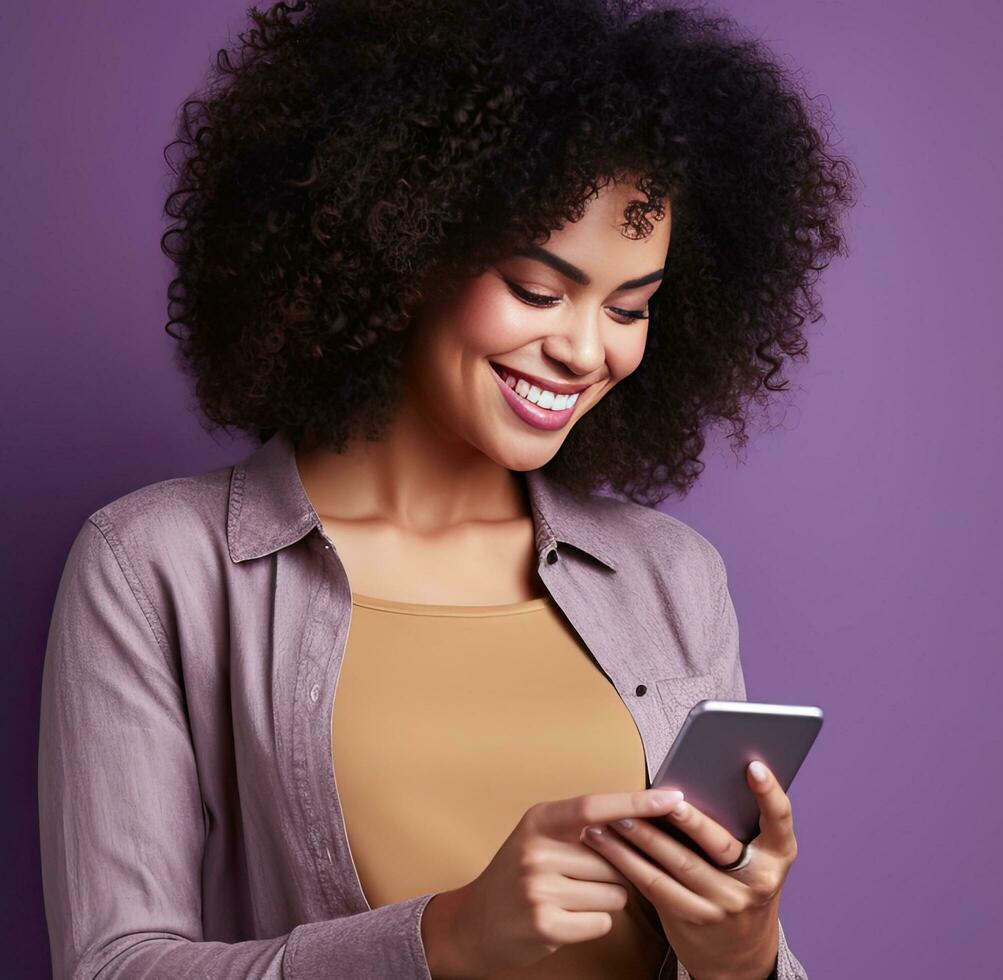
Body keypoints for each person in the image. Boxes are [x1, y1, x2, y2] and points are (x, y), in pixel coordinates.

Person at [36, 1, 855, 977]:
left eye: (630, 304)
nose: (586, 349)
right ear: (400, 247)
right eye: (537, 289)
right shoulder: (155, 565)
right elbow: (112, 964)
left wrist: (745, 950)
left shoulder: (668, 573)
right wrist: (442, 937)